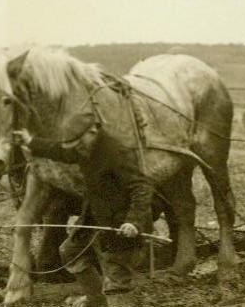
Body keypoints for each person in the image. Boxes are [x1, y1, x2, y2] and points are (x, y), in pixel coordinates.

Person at [13, 114, 155, 306]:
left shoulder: (116, 153)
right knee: (71, 252)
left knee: (116, 278)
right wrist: (31, 141)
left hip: (121, 226)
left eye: (77, 143)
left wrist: (133, 221)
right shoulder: (85, 146)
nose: (75, 148)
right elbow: (61, 152)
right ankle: (97, 300)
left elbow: (142, 187)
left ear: (93, 131)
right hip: (94, 217)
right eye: (73, 144)